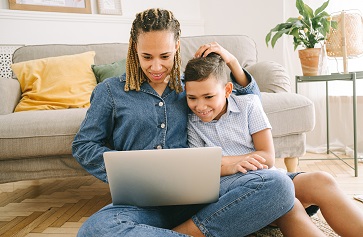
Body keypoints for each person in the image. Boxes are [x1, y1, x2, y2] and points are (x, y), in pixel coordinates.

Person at [72, 8, 297, 237]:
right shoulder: (110, 92)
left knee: (277, 185)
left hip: (205, 192)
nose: (156, 67)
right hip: (143, 202)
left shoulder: (192, 88)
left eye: (165, 56)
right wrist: (125, 171)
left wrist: (231, 61)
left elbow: (249, 102)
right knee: (94, 230)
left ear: (177, 47)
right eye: (147, 57)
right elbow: (83, 145)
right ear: (134, 48)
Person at [184, 50, 363, 237]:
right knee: (286, 202)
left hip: (269, 177)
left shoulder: (249, 105)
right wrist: (234, 165)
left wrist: (224, 162)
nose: (200, 106)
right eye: (192, 98)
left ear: (228, 90)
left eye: (209, 97)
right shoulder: (190, 121)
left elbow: (267, 157)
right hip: (235, 193)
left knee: (321, 180)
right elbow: (202, 168)